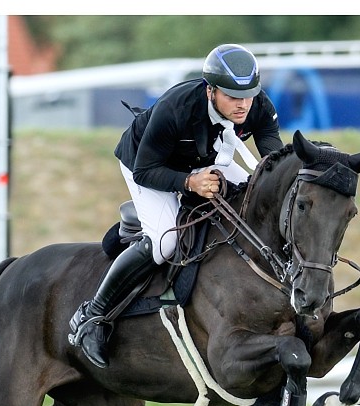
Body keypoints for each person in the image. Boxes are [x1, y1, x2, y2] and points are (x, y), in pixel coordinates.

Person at [68, 43, 283, 368]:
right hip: (150, 163)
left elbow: (271, 159)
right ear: (210, 90)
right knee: (164, 242)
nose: (243, 105)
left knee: (253, 203)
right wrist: (190, 183)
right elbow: (145, 171)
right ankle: (92, 316)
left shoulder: (258, 104)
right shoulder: (176, 108)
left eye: (248, 96)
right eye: (232, 97)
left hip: (206, 155)